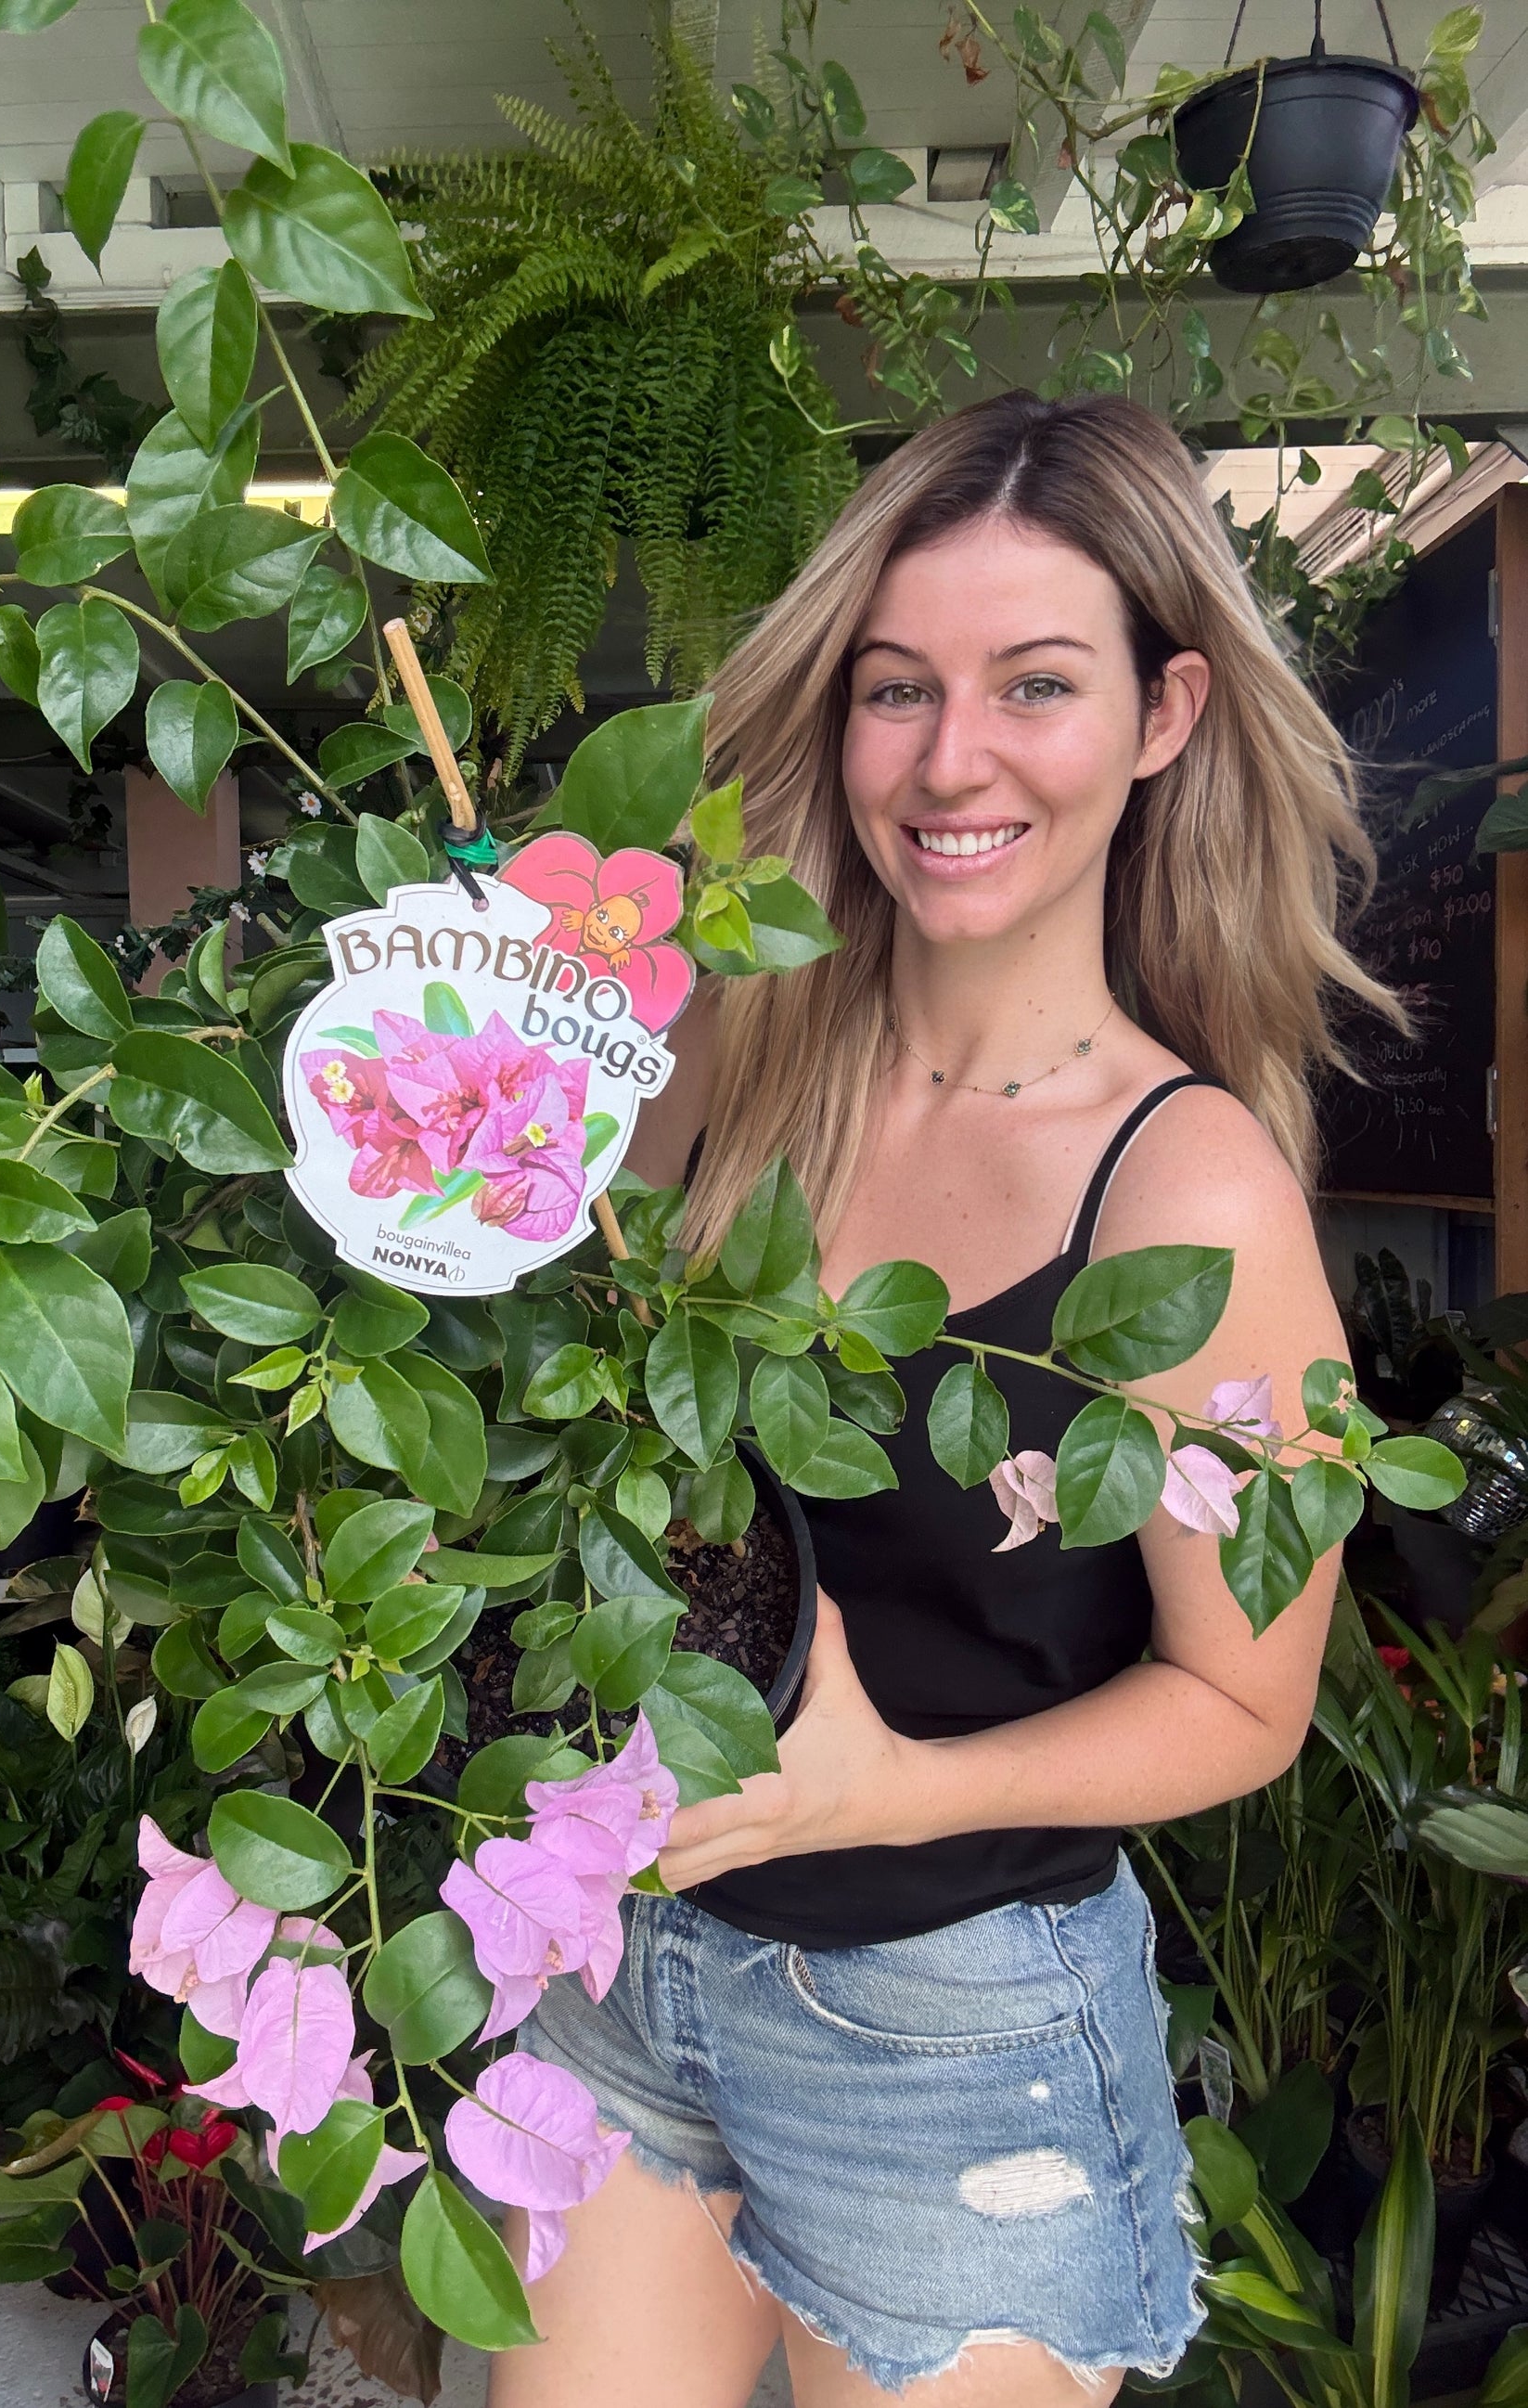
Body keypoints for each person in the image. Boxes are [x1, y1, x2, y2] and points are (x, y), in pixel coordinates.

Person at [489, 390, 1395, 2407]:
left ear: (1161, 715)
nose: (949, 758)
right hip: (621, 1967)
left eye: (1034, 684)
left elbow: (1243, 1703)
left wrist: (889, 1788)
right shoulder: (720, 1068)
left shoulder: (1186, 1198)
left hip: (948, 2030)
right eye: (895, 687)